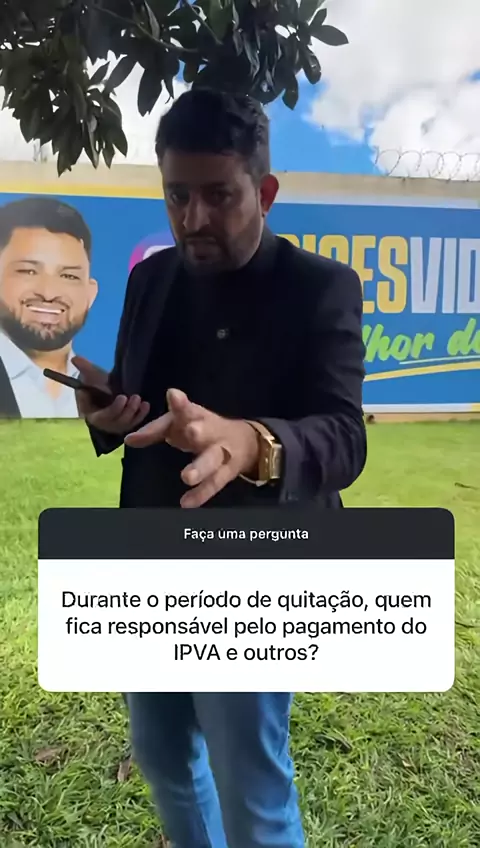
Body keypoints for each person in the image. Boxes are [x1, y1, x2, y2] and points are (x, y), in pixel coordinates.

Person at [75, 88, 367, 848]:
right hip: (149, 554)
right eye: (178, 196)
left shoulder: (320, 287)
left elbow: (345, 437)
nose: (194, 218)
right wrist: (108, 410)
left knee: (250, 784)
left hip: (259, 567)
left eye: (219, 196)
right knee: (162, 753)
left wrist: (252, 442)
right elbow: (146, 399)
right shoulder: (150, 278)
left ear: (263, 192)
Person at [0, 196, 97, 417]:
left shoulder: (110, 393)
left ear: (90, 294)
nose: (49, 292)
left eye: (69, 276)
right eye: (28, 271)